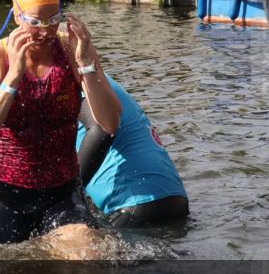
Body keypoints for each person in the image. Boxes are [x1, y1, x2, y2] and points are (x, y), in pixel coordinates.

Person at [0, 0, 120, 245]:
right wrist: (13, 76)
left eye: (53, 18)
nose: (46, 30)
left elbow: (109, 123)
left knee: (87, 256)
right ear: (16, 15)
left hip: (62, 191)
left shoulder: (72, 48)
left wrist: (85, 63)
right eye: (35, 21)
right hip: (3, 193)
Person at [76, 76, 189, 227]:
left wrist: (69, 191)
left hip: (134, 202)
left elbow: (102, 129)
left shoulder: (75, 83)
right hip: (174, 198)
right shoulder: (97, 78)